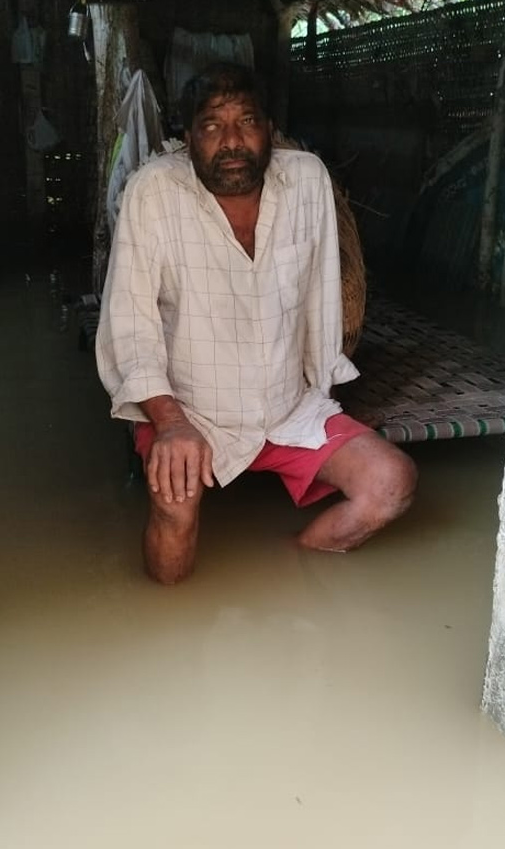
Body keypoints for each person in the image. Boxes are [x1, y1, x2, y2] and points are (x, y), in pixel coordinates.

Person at [96, 62, 417, 584]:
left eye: (246, 122)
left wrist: (324, 389)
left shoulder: (307, 179)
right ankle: (166, 624)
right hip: (189, 411)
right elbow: (129, 325)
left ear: (270, 128)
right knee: (174, 517)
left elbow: (320, 296)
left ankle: (290, 574)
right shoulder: (152, 192)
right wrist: (170, 424)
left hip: (285, 406)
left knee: (391, 483)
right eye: (211, 126)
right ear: (185, 138)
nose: (231, 142)